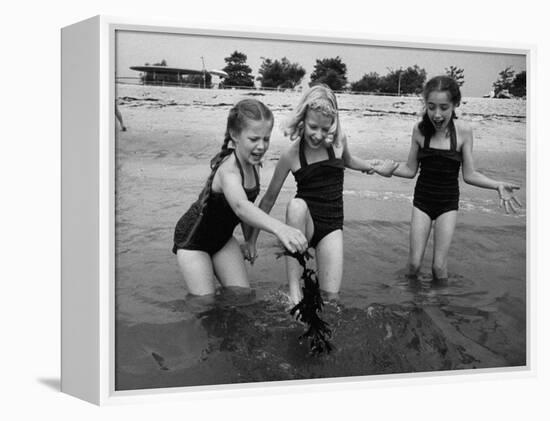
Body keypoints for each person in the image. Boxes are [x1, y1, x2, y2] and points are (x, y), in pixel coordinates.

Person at [248, 84, 396, 304]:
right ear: (303, 119)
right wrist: (251, 240)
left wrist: (375, 168)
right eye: (313, 126)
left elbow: (349, 161)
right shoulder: (291, 155)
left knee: (331, 298)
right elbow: (269, 199)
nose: (318, 135)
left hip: (331, 226)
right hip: (304, 224)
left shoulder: (337, 143)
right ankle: (294, 293)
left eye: (325, 129)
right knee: (296, 205)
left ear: (333, 125)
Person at [387, 75, 521, 283]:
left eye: (444, 107)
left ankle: (440, 308)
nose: (437, 114)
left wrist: (497, 185)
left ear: (455, 105)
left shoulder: (464, 132)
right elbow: (409, 169)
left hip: (447, 205)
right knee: (413, 265)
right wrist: (386, 168)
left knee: (438, 268)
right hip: (422, 202)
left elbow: (469, 175)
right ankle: (413, 306)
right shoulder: (419, 130)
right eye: (431, 107)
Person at [172, 99, 308, 296]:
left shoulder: (254, 164)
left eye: (266, 139)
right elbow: (241, 207)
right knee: (205, 304)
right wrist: (280, 229)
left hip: (222, 239)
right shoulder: (229, 171)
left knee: (243, 296)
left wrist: (249, 240)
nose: (261, 146)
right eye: (254, 139)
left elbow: (248, 209)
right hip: (193, 241)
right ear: (235, 135)